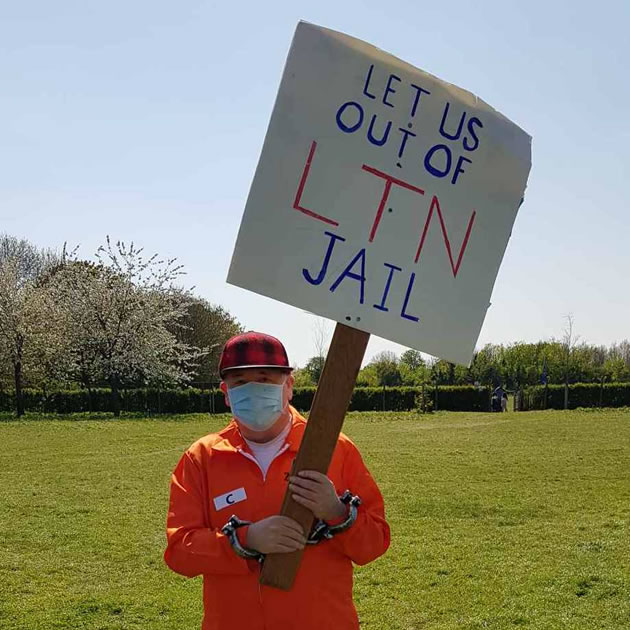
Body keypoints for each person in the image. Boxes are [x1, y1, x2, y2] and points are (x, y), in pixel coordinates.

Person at [164, 331, 390, 630]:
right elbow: (180, 552)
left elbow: (374, 544)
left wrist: (337, 512)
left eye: (266, 379)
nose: (254, 390)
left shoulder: (335, 449)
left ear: (289, 386)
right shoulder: (202, 458)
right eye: (240, 383)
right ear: (226, 393)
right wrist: (246, 540)